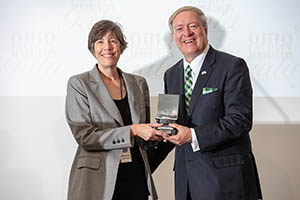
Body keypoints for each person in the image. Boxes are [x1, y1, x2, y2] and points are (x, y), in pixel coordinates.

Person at [65, 20, 173, 200]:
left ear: (121, 47)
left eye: (113, 41)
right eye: (99, 41)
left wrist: (159, 133)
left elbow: (143, 137)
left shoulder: (138, 83)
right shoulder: (79, 84)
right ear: (93, 48)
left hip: (136, 176)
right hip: (99, 179)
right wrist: (132, 130)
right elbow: (85, 137)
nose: (107, 46)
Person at [163, 6, 263, 200]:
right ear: (173, 36)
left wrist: (192, 135)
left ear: (205, 30)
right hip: (187, 182)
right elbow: (171, 122)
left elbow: (240, 119)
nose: (187, 33)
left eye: (193, 26)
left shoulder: (232, 66)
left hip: (226, 181)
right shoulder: (171, 74)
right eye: (179, 29)